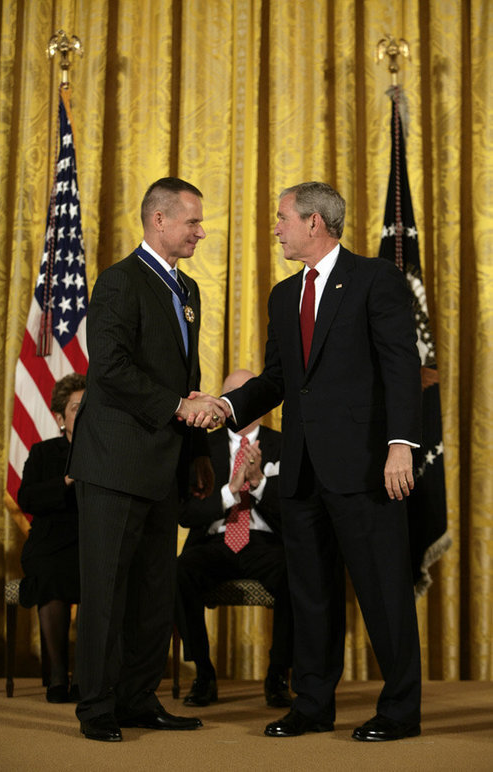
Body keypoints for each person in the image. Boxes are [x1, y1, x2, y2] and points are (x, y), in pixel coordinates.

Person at [209, 182, 423, 741]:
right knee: (310, 595)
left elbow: (402, 368)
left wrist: (401, 444)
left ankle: (400, 711)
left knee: (383, 591)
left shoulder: (376, 279)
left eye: (281, 217)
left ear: (314, 223)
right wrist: (227, 406)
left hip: (367, 468)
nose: (275, 227)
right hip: (303, 472)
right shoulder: (284, 295)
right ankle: (312, 704)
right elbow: (279, 381)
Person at [67, 177, 231, 742]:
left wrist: (200, 454)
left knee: (153, 592)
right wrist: (181, 409)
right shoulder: (118, 282)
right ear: (158, 220)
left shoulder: (187, 290)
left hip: (164, 466)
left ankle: (139, 698)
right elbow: (109, 368)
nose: (200, 232)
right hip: (114, 464)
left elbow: (189, 380)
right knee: (107, 592)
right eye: (192, 222)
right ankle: (96, 706)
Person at [177, 369, 293, 709]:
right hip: (215, 542)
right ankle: (203, 673)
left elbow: (296, 517)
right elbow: (186, 515)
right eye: (230, 397)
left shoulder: (284, 444)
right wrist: (230, 491)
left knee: (296, 572)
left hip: (264, 542)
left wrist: (258, 485)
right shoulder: (201, 448)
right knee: (180, 571)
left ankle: (277, 674)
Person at [18, 372, 86, 704]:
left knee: (100, 573)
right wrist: (67, 480)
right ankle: (58, 675)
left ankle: (88, 676)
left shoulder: (106, 451)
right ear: (60, 417)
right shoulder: (43, 453)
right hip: (49, 541)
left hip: (88, 541)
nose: (84, 413)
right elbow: (27, 498)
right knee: (49, 572)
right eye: (76, 408)